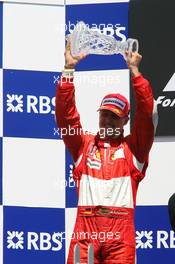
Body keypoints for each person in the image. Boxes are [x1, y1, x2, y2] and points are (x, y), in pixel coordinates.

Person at [55, 42, 158, 264]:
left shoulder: (134, 149)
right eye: (104, 114)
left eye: (114, 116)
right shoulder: (83, 145)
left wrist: (135, 73)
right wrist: (68, 70)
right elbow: (66, 116)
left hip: (120, 239)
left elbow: (148, 116)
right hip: (85, 236)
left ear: (125, 120)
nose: (107, 120)